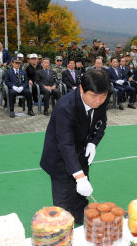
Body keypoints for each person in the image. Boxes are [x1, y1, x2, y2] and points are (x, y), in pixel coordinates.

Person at [40, 69, 110, 225]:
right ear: (81, 89)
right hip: (59, 157)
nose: (98, 101)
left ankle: (81, 220)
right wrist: (79, 176)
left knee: (79, 197)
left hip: (81, 151)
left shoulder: (101, 99)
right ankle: (62, 231)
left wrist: (93, 142)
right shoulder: (65, 106)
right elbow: (65, 144)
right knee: (63, 202)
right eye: (94, 96)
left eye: (103, 96)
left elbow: (101, 124)